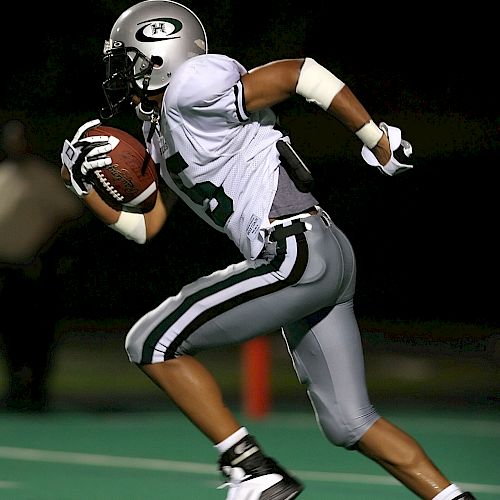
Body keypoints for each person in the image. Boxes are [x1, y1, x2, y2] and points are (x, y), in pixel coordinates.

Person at [60, 1, 475, 498]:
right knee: (350, 423)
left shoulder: (194, 84)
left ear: (158, 56)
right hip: (321, 253)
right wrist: (84, 191)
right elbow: (148, 227)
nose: (117, 73)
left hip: (293, 249)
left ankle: (251, 468)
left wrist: (376, 137)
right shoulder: (159, 128)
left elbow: (300, 73)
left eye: (125, 59)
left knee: (150, 342)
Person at [0, 119, 83, 411]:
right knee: (11, 333)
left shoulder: (42, 176)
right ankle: (16, 387)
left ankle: (37, 389)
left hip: (33, 270)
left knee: (37, 332)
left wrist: (46, 253)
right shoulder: (4, 175)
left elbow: (72, 213)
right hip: (6, 269)